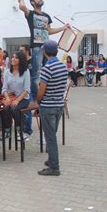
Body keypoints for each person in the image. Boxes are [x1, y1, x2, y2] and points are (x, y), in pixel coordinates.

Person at [18, 0, 69, 101]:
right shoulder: (31, 14)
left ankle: (47, 95)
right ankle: (35, 99)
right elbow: (22, 7)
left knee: (48, 71)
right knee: (36, 74)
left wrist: (63, 28)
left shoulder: (46, 16)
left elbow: (49, 31)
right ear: (32, 2)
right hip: (36, 46)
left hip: (47, 47)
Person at [36, 41, 67, 176]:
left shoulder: (47, 68)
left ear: (44, 52)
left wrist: (37, 101)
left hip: (48, 106)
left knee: (50, 137)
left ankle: (54, 167)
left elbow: (42, 90)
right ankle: (51, 159)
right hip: (59, 105)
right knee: (52, 135)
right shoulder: (62, 66)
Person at [2, 51, 31, 138]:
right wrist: (7, 98)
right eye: (13, 57)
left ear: (21, 60)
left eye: (16, 57)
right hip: (10, 97)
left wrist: (17, 100)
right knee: (5, 108)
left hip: (23, 98)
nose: (13, 59)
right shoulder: (7, 72)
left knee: (14, 108)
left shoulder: (26, 72)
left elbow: (26, 89)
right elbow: (4, 88)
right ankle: (7, 131)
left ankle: (20, 131)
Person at [19, 44, 33, 137]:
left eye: (22, 50)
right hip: (21, 88)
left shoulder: (32, 61)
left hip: (29, 88)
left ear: (27, 51)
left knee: (27, 110)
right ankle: (22, 127)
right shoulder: (21, 61)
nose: (20, 52)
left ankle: (28, 130)